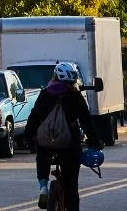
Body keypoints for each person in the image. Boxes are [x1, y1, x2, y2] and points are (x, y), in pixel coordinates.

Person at [28, 61, 103, 211]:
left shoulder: (45, 94)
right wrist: (96, 141)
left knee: (42, 156)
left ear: (55, 76)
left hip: (47, 142)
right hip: (69, 144)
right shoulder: (75, 97)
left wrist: (28, 136)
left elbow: (34, 117)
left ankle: (43, 186)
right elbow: (86, 121)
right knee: (71, 186)